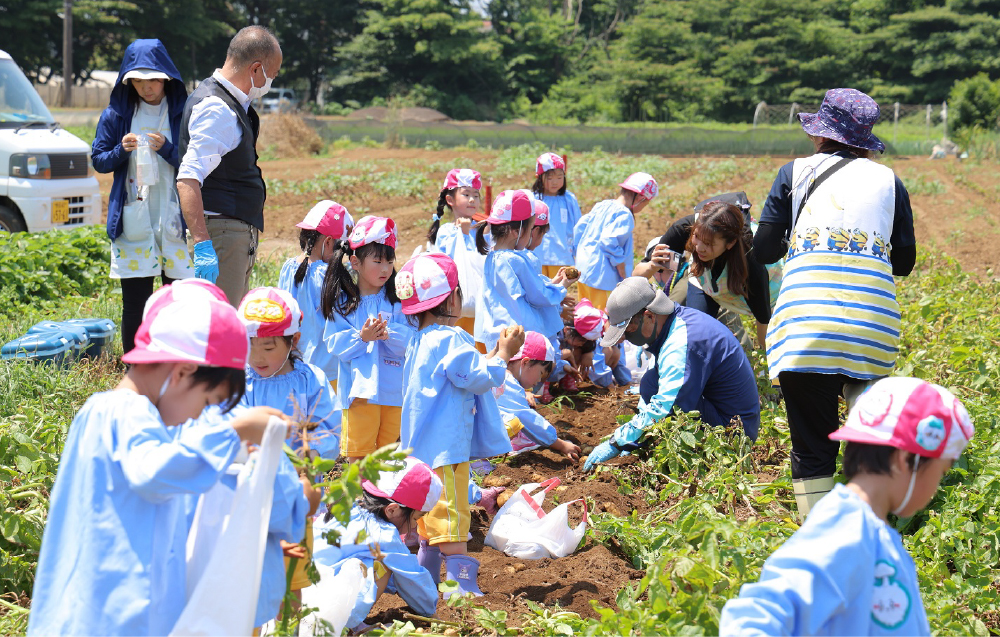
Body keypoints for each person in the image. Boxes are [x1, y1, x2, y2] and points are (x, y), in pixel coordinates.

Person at [27, 293, 284, 636]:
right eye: (208, 402)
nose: (196, 417)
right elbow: (155, 473)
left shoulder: (105, 412)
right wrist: (234, 431)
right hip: (116, 617)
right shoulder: (128, 412)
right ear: (183, 371)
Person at [751, 88, 917, 516]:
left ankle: (820, 532)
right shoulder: (890, 182)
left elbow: (764, 249)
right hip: (871, 331)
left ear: (820, 134)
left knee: (812, 449)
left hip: (805, 331)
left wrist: (799, 240)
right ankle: (877, 495)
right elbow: (904, 263)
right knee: (863, 391)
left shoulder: (794, 172)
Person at [720, 377, 974, 636]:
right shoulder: (846, 529)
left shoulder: (870, 530)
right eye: (941, 472)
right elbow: (758, 615)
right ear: (905, 459)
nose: (935, 488)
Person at [396, 252, 522, 597]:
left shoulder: (419, 340)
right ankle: (461, 588)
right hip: (446, 450)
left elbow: (463, 371)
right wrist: (504, 353)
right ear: (453, 298)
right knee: (452, 519)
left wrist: (492, 355)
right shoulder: (450, 339)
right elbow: (477, 377)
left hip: (422, 450)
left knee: (430, 520)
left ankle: (424, 583)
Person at [583, 277, 760, 471]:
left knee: (661, 396)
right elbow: (657, 380)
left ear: (649, 316)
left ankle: (697, 457)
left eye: (629, 330)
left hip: (734, 433)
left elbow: (665, 404)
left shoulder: (683, 341)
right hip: (723, 412)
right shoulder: (674, 321)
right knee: (651, 382)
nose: (626, 338)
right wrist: (637, 430)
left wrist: (618, 442)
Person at [235, 286, 333, 621]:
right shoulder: (240, 381)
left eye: (268, 347)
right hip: (250, 495)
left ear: (294, 341)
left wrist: (309, 464)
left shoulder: (310, 380)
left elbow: (328, 429)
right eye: (249, 345)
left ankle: (286, 627)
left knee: (292, 577)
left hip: (295, 495)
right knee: (248, 574)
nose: (257, 357)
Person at [91, 39, 192, 353]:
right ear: (128, 81)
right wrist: (120, 150)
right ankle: (136, 365)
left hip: (175, 219)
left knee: (177, 301)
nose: (146, 87)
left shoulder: (183, 113)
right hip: (134, 219)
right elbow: (99, 160)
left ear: (166, 77)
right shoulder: (116, 114)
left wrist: (169, 150)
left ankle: (175, 362)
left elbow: (198, 161)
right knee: (135, 302)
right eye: (136, 80)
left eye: (152, 79)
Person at [177, 25, 282, 307]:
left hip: (229, 234)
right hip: (222, 235)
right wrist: (202, 243)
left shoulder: (229, 102)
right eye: (273, 74)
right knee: (221, 321)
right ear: (256, 69)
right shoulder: (218, 109)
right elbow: (188, 178)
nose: (271, 81)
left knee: (228, 317)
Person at [312, 456, 443, 634]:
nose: (414, 525)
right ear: (392, 510)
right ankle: (348, 625)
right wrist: (430, 611)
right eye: (416, 518)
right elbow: (412, 576)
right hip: (327, 612)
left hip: (300, 594)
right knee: (382, 566)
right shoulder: (384, 534)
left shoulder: (348, 507)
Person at [635, 194, 782, 350]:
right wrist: (652, 265)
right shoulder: (684, 229)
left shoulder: (750, 262)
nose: (699, 248)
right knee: (696, 333)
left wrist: (764, 356)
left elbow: (763, 319)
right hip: (704, 279)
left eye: (709, 243)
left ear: (730, 243)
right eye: (696, 237)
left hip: (741, 280)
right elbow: (637, 277)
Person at [321, 216, 412, 462]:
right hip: (358, 395)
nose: (385, 269)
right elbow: (334, 343)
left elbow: (412, 340)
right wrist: (361, 338)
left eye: (390, 262)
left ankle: (385, 489)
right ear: (355, 262)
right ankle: (360, 490)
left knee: (389, 457)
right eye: (378, 261)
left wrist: (390, 334)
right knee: (359, 457)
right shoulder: (344, 304)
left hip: (394, 393)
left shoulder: (397, 302)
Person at [474, 189, 577, 353]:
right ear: (517, 231)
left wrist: (551, 284)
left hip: (498, 333)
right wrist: (562, 286)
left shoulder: (492, 257)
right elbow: (538, 295)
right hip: (520, 337)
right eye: (529, 230)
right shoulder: (517, 260)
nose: (530, 236)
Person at [277, 201, 354, 387]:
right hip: (328, 371)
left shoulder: (288, 268)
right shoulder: (329, 276)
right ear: (328, 242)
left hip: (293, 366)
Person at [574, 173, 658, 310]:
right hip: (603, 279)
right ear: (640, 198)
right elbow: (609, 240)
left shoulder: (602, 205)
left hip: (583, 270)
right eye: (645, 204)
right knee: (602, 316)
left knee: (584, 313)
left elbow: (579, 227)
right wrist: (620, 265)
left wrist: (578, 252)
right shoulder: (625, 215)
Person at [497, 331, 582, 461]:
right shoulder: (507, 382)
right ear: (525, 362)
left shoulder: (500, 372)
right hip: (474, 436)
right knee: (517, 421)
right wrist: (561, 445)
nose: (539, 381)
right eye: (540, 373)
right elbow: (529, 419)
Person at [427, 168, 485, 336]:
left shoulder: (483, 229)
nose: (472, 200)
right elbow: (445, 263)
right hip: (454, 302)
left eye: (476, 195)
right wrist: (463, 234)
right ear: (450, 200)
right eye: (466, 194)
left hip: (480, 301)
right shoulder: (446, 231)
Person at [530, 153, 581, 279]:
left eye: (559, 177)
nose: (555, 182)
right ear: (539, 177)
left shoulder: (569, 199)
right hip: (536, 255)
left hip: (561, 256)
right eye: (549, 178)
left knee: (559, 288)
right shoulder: (533, 199)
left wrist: (578, 252)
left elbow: (578, 226)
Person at [560, 299, 629, 389]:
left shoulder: (590, 330)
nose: (583, 344)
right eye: (581, 340)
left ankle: (579, 379)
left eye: (587, 341)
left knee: (613, 351)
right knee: (574, 352)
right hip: (553, 364)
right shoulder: (557, 333)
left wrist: (588, 353)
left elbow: (599, 361)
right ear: (567, 330)